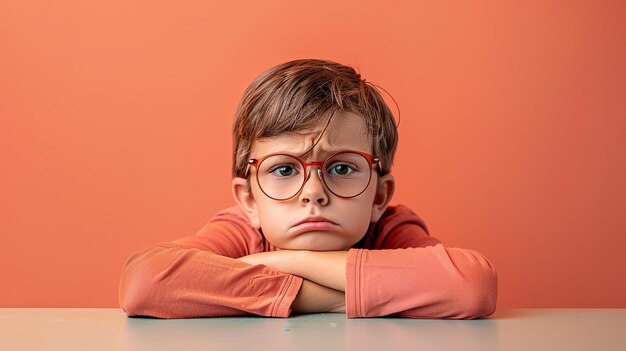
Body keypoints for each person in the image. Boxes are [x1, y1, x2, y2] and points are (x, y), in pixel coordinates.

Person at [118, 59, 498, 319]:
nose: (313, 192)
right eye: (284, 169)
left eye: (342, 167)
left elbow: (472, 285)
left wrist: (288, 262)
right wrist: (334, 296)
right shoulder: (242, 231)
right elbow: (146, 281)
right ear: (249, 199)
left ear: (379, 196)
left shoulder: (389, 231)